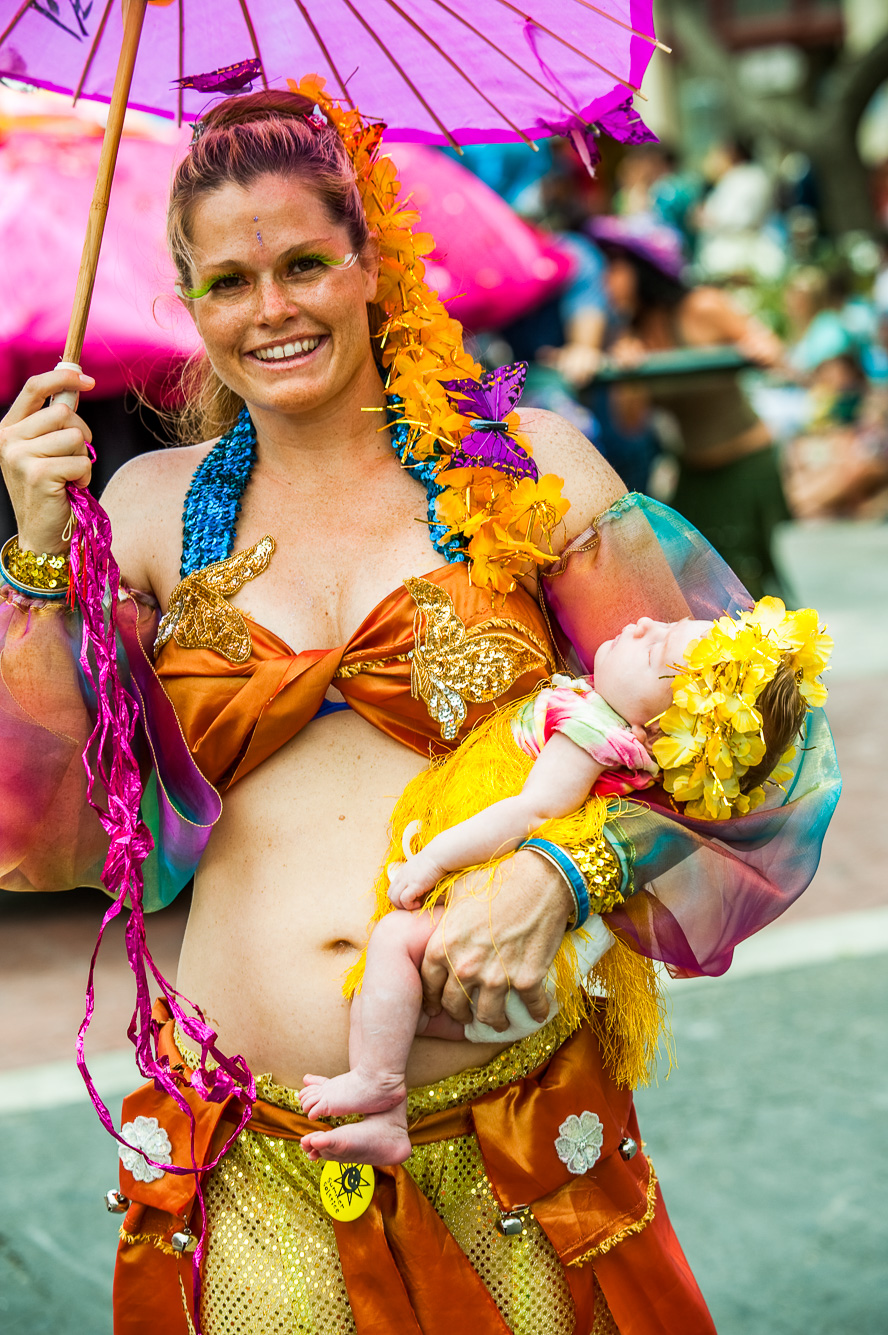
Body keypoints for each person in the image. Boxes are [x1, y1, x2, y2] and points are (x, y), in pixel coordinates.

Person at [0, 87, 840, 1335]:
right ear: (186, 304)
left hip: (510, 1140)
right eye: (228, 282)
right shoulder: (143, 511)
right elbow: (48, 824)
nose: (271, 309)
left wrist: (560, 873)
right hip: (243, 1154)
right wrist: (32, 555)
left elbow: (760, 730)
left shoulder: (528, 465)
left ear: (371, 262)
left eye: (302, 263)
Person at [300, 600, 826, 1166]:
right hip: (525, 981)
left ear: (659, 727)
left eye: (655, 652)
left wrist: (430, 864)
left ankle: (379, 1086)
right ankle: (385, 1118)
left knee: (392, 945)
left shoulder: (596, 732)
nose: (646, 622)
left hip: (518, 972)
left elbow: (530, 812)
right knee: (398, 989)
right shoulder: (606, 716)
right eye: (666, 624)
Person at [589, 215, 789, 598]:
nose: (605, 281)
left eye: (614, 267)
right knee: (698, 590)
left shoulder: (702, 307)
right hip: (694, 474)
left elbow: (768, 345)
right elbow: (630, 424)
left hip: (746, 466)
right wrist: (630, 376)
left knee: (756, 586)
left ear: (643, 270)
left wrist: (762, 346)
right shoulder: (632, 337)